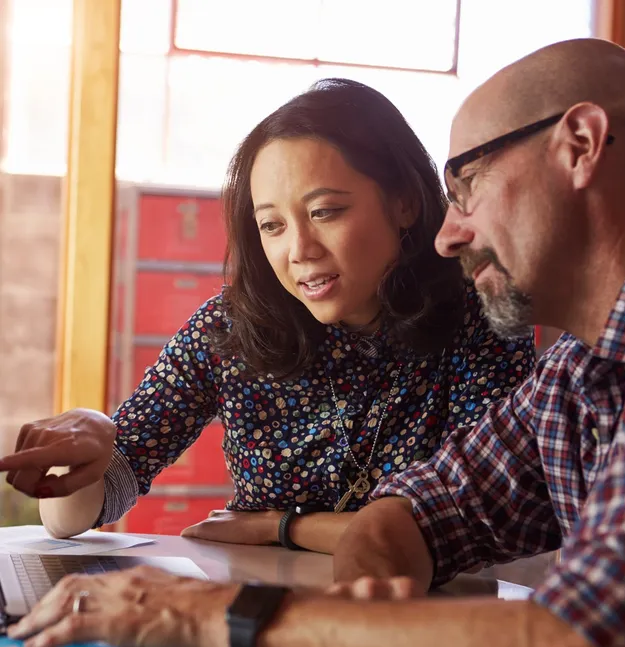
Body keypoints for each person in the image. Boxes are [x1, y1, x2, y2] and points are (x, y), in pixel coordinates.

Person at [8, 36, 625, 647]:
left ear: (579, 147)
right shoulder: (580, 366)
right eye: (272, 224)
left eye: (470, 183)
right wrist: (358, 623)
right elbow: (422, 512)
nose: (451, 231)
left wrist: (211, 614)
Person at [0, 79, 534, 553]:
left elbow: (476, 519)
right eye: (272, 225)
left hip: (422, 626)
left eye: (325, 212)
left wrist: (282, 528)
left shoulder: (477, 318)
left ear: (404, 203)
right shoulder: (232, 327)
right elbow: (81, 513)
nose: (300, 249)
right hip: (260, 617)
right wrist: (93, 441)